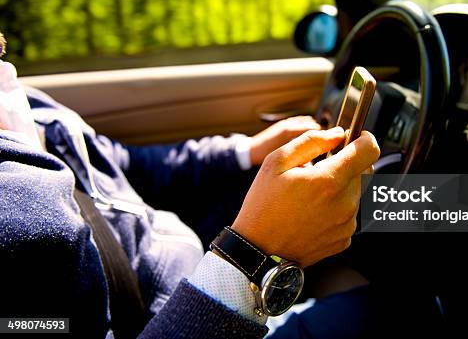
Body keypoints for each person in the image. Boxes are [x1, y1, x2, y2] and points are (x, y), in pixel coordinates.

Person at [0, 31, 380, 338]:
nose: (8, 75)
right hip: (202, 313)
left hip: (189, 264)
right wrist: (253, 258)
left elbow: (126, 165)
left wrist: (246, 150)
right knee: (400, 311)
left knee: (391, 204)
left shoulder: (25, 101)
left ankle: (440, 208)